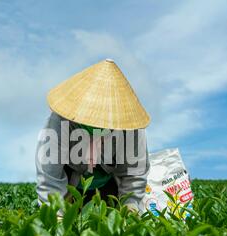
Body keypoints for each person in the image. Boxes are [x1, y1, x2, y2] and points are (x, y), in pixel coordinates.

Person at [35, 58, 151, 217]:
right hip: (70, 185)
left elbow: (134, 176)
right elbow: (49, 178)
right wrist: (57, 219)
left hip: (109, 187)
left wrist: (129, 214)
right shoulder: (58, 123)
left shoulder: (131, 128)